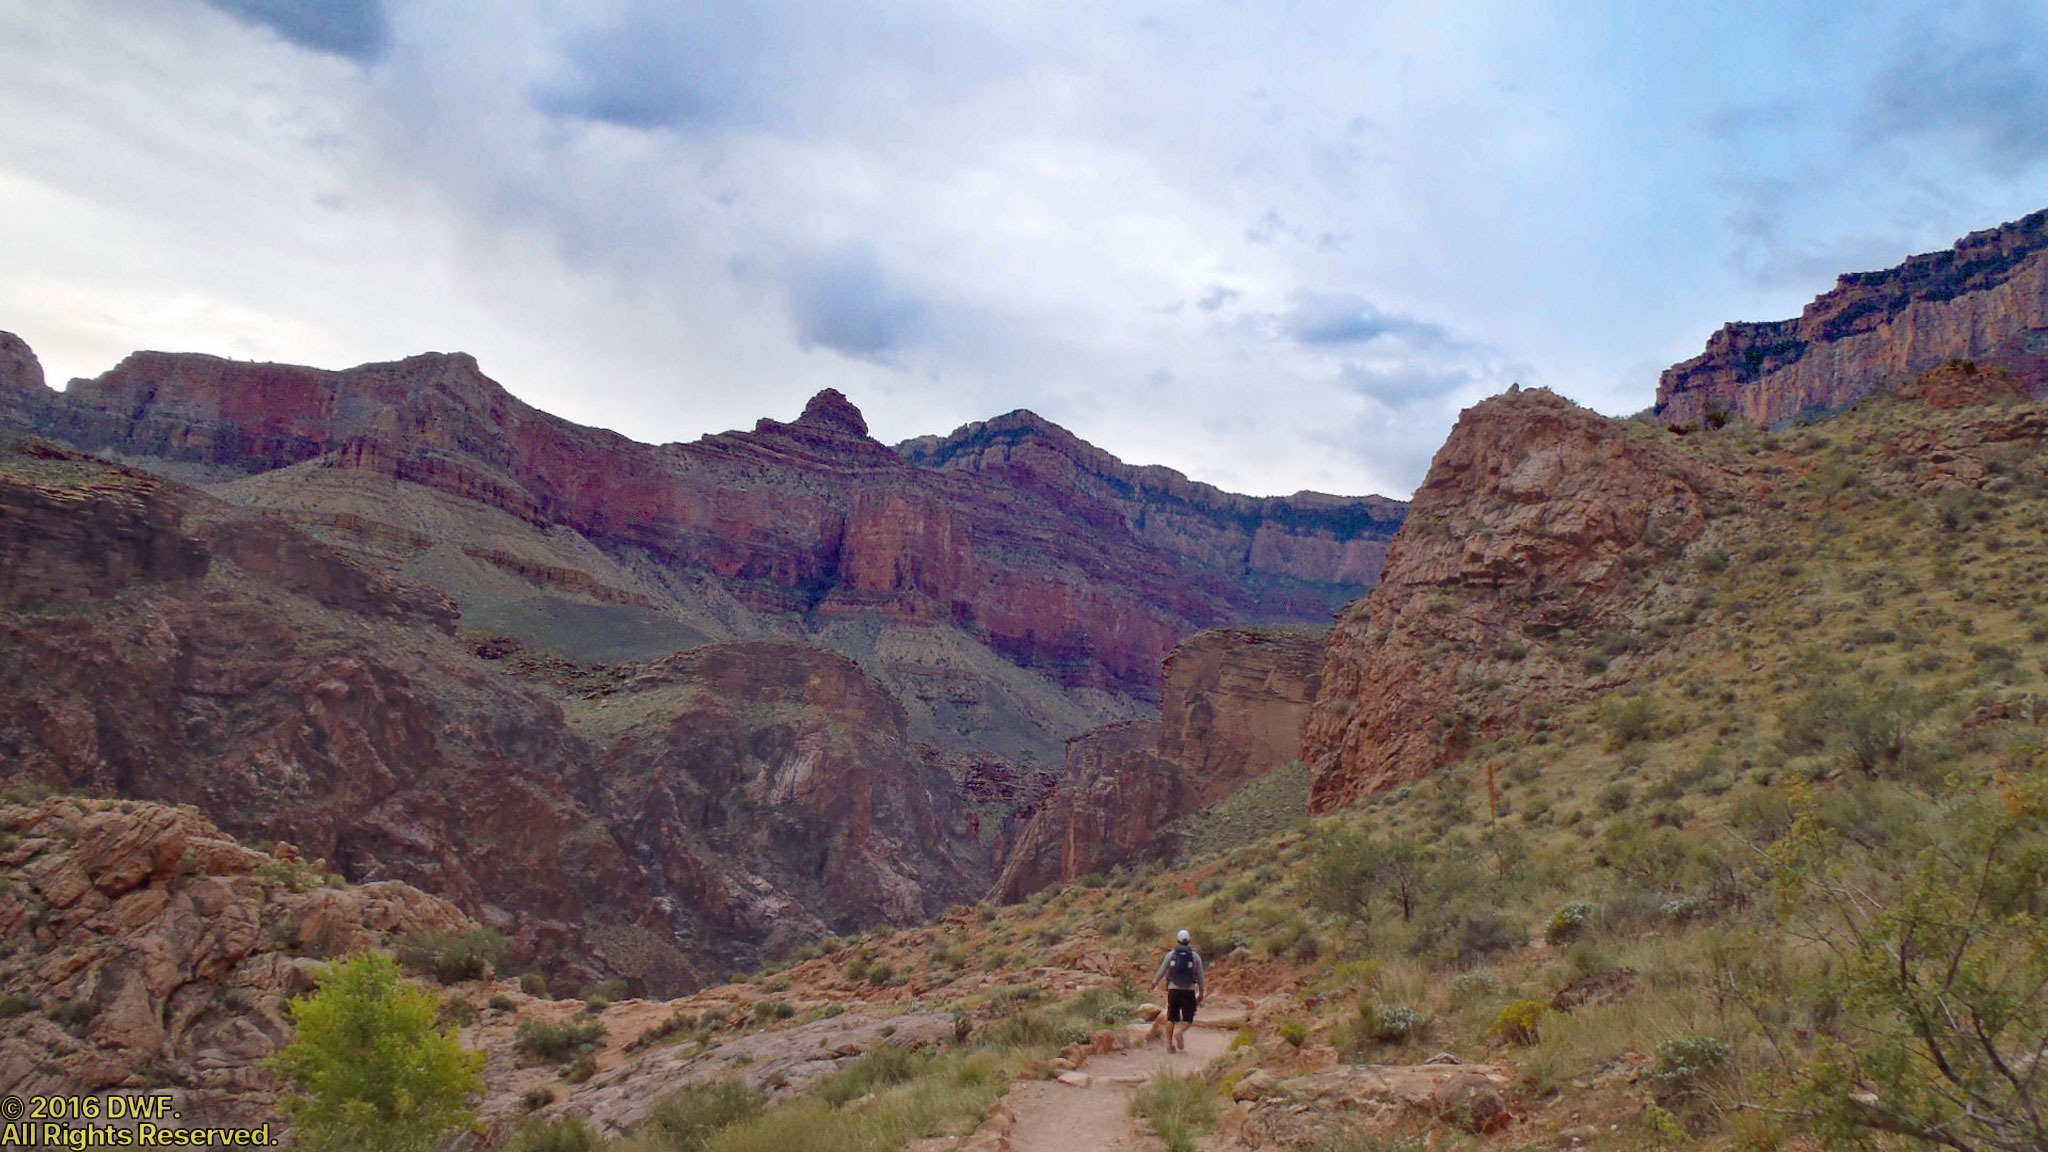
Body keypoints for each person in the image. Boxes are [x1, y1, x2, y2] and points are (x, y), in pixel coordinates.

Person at [1147, 928, 1205, 1053]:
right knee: (1188, 1018)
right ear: (1189, 941)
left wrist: (1153, 984)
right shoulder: (1195, 956)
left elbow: (1162, 971)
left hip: (1173, 989)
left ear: (1177, 941)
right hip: (1189, 990)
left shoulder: (1171, 955)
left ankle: (1169, 1045)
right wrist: (1201, 992)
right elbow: (1200, 977)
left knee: (1171, 1018)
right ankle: (1180, 1032)